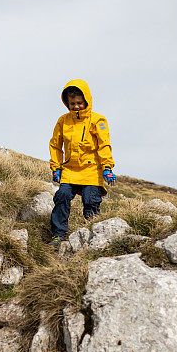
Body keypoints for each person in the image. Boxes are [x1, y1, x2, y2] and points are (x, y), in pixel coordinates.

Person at [49, 79, 116, 249]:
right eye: (72, 103)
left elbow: (104, 145)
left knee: (90, 201)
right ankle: (58, 234)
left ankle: (91, 238)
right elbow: (55, 145)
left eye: (79, 103)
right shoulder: (63, 121)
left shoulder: (98, 120)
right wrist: (56, 168)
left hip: (92, 171)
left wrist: (107, 167)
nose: (76, 106)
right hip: (70, 171)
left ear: (86, 100)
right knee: (62, 196)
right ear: (67, 103)